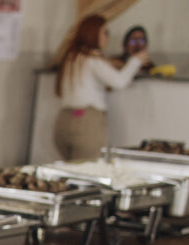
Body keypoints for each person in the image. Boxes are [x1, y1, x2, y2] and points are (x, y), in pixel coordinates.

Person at [53, 15, 148, 161]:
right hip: (86, 123)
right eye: (105, 32)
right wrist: (136, 61)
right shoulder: (92, 59)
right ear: (93, 34)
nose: (107, 37)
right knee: (86, 172)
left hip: (64, 120)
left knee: (71, 171)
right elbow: (119, 82)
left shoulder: (72, 57)